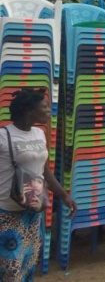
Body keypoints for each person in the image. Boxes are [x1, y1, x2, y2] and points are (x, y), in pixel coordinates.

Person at [0, 89, 76, 280]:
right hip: (8, 213)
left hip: (33, 211)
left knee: (28, 264)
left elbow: (45, 171)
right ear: (28, 110)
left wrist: (64, 196)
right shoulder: (3, 136)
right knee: (10, 269)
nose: (48, 110)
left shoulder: (39, 134)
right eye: (44, 107)